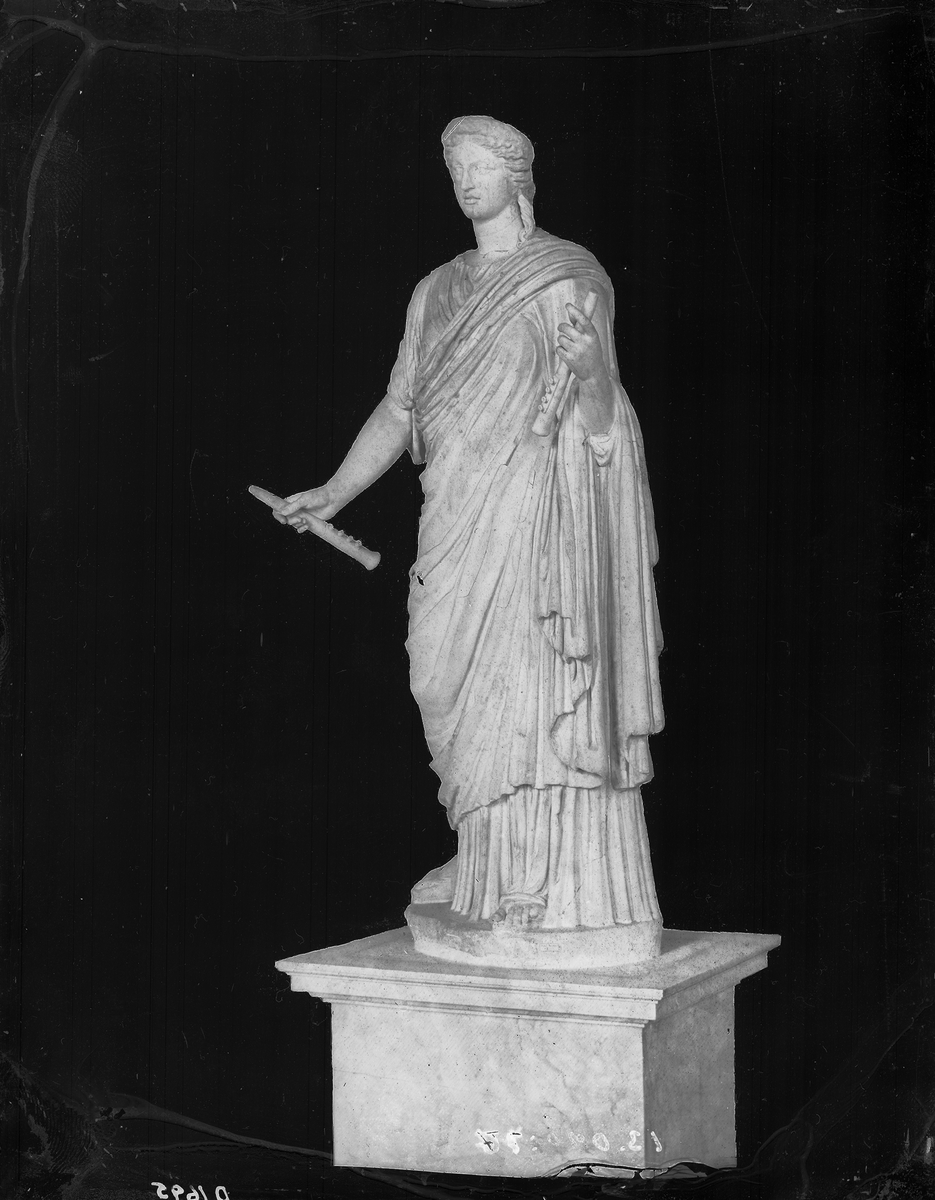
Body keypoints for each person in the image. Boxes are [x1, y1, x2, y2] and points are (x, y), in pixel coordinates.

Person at [277, 116, 664, 932]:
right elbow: (399, 407)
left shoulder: (566, 276)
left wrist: (592, 371)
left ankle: (543, 877)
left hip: (535, 513)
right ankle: (483, 849)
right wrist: (334, 492)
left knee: (533, 679)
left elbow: (602, 415)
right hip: (454, 513)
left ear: (518, 176)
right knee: (438, 676)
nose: (465, 179)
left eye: (481, 165)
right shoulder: (435, 289)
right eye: (455, 165)